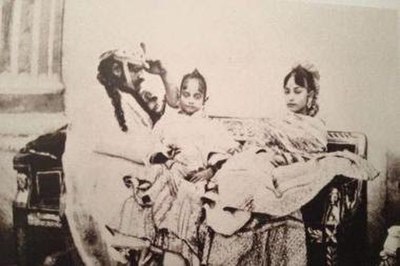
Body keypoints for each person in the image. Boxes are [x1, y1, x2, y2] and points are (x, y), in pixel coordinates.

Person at [201, 64, 379, 265]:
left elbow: (312, 152)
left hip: (287, 167)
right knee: (240, 172)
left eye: (297, 91)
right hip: (266, 162)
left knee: (263, 181)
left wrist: (281, 157)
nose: (291, 97)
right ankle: (233, 210)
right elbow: (259, 143)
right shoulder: (279, 122)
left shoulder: (314, 126)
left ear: (310, 95)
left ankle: (242, 206)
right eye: (287, 92)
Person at [108, 69, 240, 265]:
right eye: (186, 95)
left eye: (197, 96)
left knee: (188, 197)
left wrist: (210, 170)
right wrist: (166, 159)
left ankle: (174, 252)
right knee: (154, 185)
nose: (190, 100)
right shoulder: (169, 122)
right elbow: (154, 143)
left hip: (195, 177)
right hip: (170, 171)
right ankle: (142, 247)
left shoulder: (210, 126)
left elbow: (227, 150)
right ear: (179, 96)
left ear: (205, 99)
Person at [63, 44, 180, 265]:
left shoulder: (130, 97)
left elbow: (175, 108)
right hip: (108, 187)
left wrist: (164, 74)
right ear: (118, 70)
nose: (141, 76)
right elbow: (103, 142)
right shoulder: (96, 100)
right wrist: (153, 155)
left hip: (134, 178)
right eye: (136, 69)